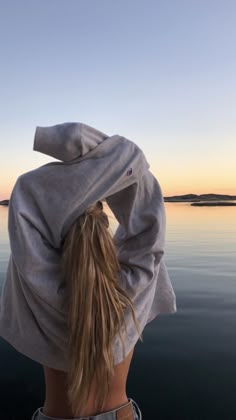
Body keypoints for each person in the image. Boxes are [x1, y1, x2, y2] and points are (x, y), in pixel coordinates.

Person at [0, 122, 176, 419]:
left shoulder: (32, 279)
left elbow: (25, 203)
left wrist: (58, 148)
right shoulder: (137, 280)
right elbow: (147, 210)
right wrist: (93, 147)